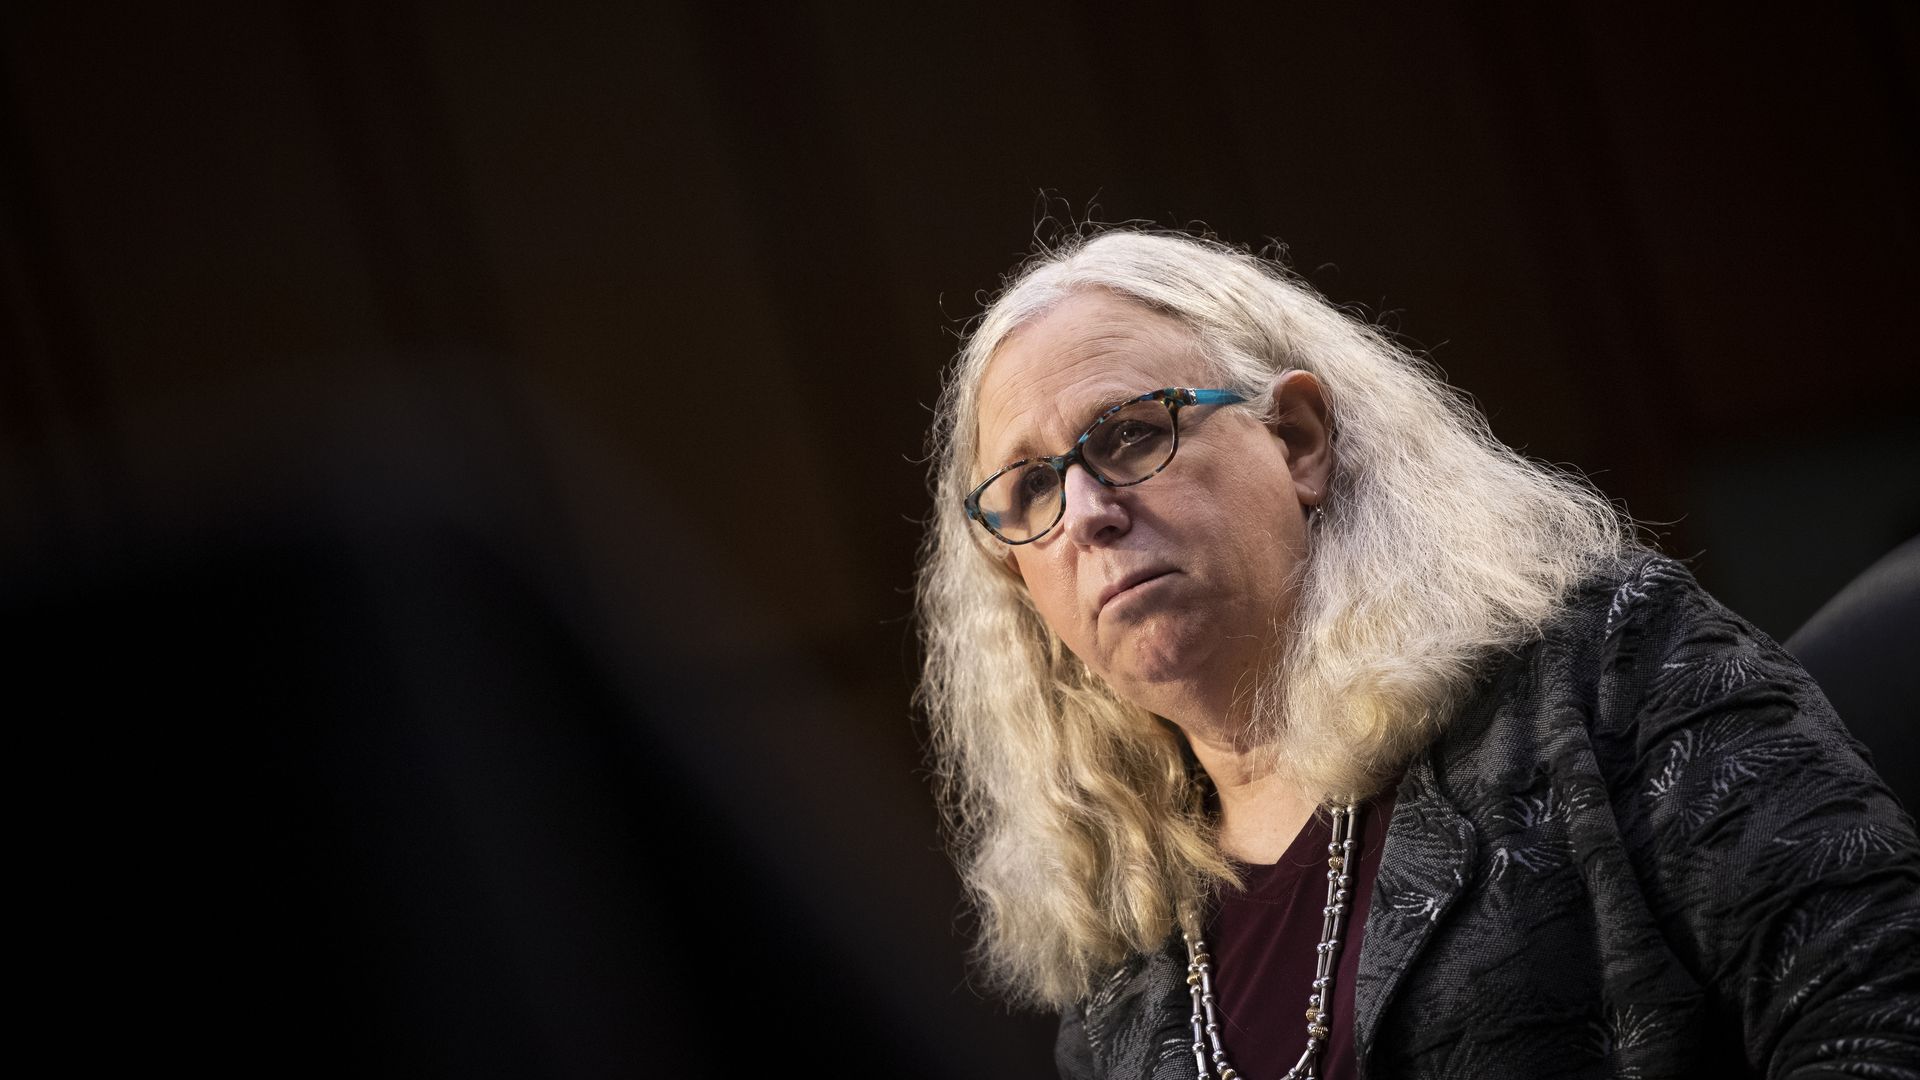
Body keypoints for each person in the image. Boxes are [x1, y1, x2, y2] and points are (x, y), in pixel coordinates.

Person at [916, 228, 1920, 1079]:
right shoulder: (1118, 984)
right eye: (1031, 491)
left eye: (1131, 434)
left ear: (1299, 442)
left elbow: (1879, 1008)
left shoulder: (1607, 665)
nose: (1087, 511)